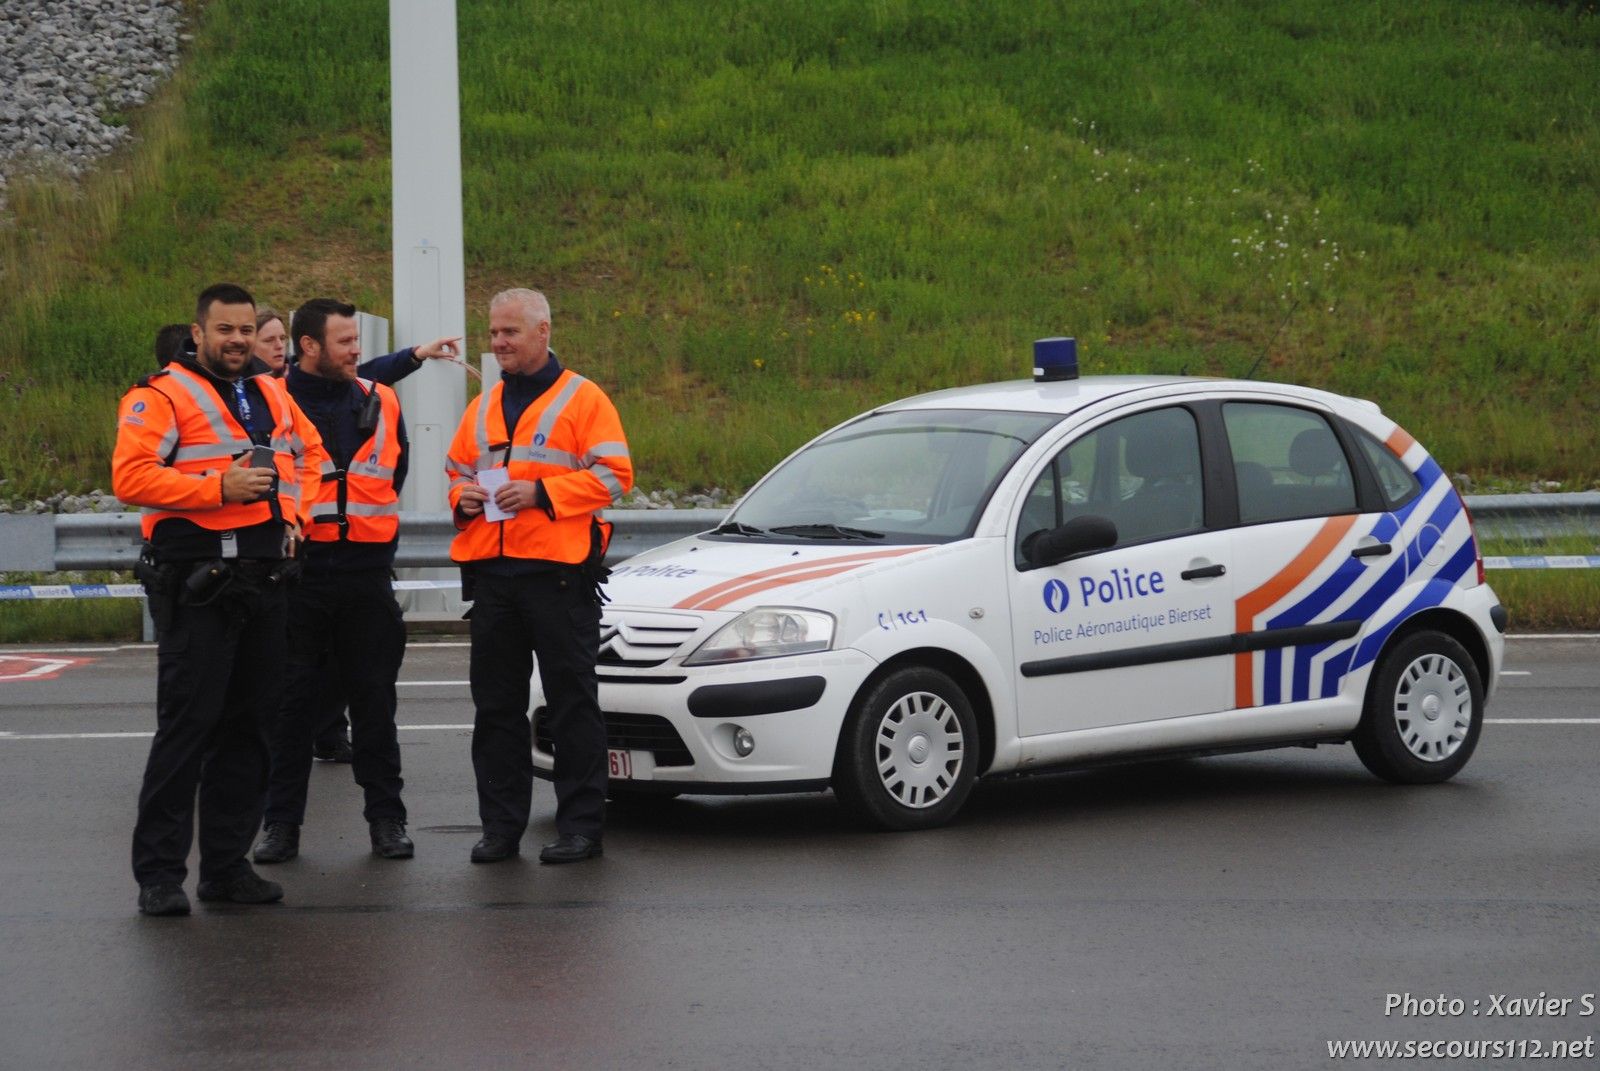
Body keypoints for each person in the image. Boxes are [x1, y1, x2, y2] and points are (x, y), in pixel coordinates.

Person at [113, 282, 328, 917]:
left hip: (264, 582)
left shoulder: (271, 392)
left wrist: (295, 515)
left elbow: (306, 457)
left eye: (245, 330)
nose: (237, 341)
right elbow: (130, 476)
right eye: (225, 331)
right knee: (187, 730)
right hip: (198, 584)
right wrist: (218, 486)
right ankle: (159, 876)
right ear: (199, 333)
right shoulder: (158, 395)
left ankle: (227, 868)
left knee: (253, 730)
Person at [447, 288, 632, 864]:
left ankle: (581, 827)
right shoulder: (482, 405)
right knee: (495, 709)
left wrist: (543, 492)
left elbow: (615, 475)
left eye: (510, 332)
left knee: (571, 704)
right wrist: (465, 497)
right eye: (493, 333)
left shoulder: (583, 398)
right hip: (493, 579)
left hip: (558, 577)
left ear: (543, 332)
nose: (498, 342)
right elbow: (455, 470)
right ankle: (501, 828)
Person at [254, 307, 290, 376]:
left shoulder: (298, 382)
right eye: (269, 340)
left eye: (282, 338)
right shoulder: (238, 384)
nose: (280, 346)